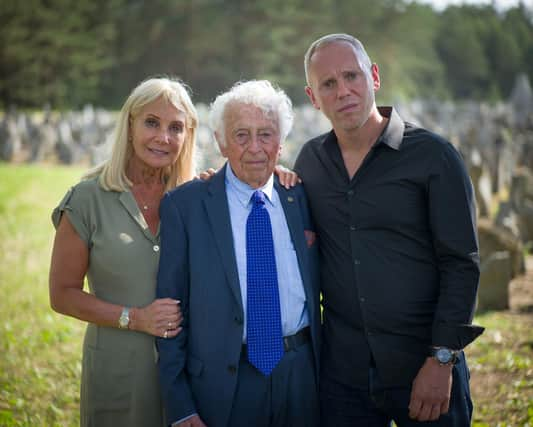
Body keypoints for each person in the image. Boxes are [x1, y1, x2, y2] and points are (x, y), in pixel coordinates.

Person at [294, 33, 484, 426]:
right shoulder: (310, 162)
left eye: (352, 76)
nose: (343, 90)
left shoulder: (434, 156)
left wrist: (442, 359)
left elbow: (461, 264)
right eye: (328, 84)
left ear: (374, 77)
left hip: (424, 365)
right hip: (344, 376)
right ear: (313, 97)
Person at [156, 80, 321, 427]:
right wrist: (180, 405)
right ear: (221, 140)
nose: (255, 148)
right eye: (241, 135)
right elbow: (169, 313)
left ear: (281, 141)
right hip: (225, 385)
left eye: (266, 134)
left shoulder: (302, 197)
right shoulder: (186, 206)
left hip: (302, 377)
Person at [49, 76, 198, 427]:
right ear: (129, 125)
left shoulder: (196, 200)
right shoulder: (86, 199)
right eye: (151, 122)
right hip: (117, 370)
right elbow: (62, 295)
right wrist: (136, 318)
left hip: (189, 376)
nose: (163, 137)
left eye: (175, 127)